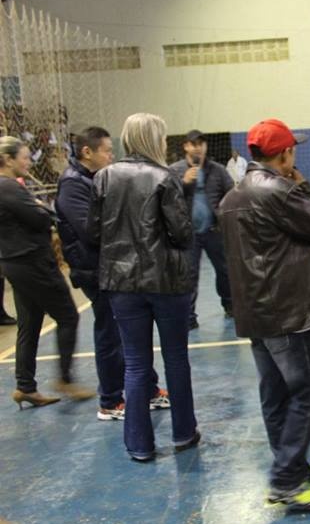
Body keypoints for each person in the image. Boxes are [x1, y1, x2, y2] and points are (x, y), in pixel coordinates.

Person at [219, 118, 310, 510]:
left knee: (275, 393)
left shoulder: (233, 196)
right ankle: (287, 479)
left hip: (256, 312)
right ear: (285, 153)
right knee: (309, 391)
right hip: (289, 311)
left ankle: (294, 466)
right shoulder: (280, 191)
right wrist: (303, 184)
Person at [88, 113, 199, 462]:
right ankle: (183, 433)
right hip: (166, 281)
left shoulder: (103, 177)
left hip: (121, 283)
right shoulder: (165, 178)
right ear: (155, 139)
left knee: (135, 364)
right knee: (176, 358)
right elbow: (182, 233)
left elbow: (93, 232)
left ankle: (139, 444)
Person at [56, 126, 170, 420]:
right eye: (107, 151)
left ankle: (147, 389)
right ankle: (110, 400)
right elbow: (89, 231)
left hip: (110, 266)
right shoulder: (72, 185)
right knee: (110, 333)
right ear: (87, 152)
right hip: (94, 270)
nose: (111, 156)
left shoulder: (95, 179)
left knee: (129, 332)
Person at [0, 136, 90, 408]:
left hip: (15, 263)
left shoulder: (9, 187)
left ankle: (25, 386)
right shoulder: (9, 188)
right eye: (25, 158)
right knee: (68, 316)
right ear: (8, 160)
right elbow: (43, 218)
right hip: (32, 263)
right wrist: (40, 209)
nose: (29, 163)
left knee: (29, 325)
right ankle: (65, 378)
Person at [169, 130, 233, 329]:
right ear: (186, 146)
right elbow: (166, 199)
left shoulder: (218, 170)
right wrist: (184, 184)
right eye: (193, 144)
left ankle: (230, 305)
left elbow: (231, 193)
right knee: (189, 275)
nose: (198, 147)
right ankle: (188, 316)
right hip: (188, 234)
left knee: (225, 271)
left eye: (201, 143)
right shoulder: (174, 171)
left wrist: (223, 215)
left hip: (214, 231)